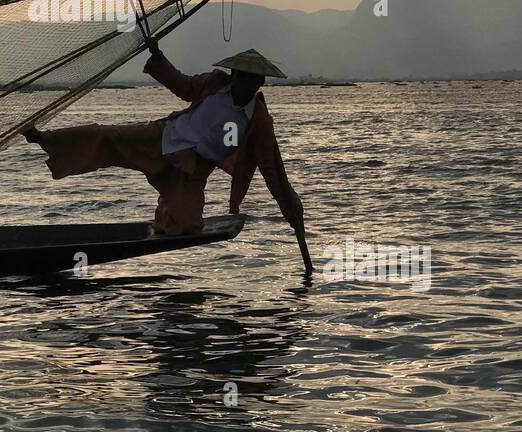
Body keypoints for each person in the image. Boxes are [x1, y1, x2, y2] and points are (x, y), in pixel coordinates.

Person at [23, 41, 312, 271]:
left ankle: (165, 215)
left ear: (260, 83)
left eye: (252, 80)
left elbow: (272, 168)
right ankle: (45, 138)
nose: (245, 83)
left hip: (194, 168)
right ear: (233, 75)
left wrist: (290, 208)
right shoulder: (214, 84)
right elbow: (183, 85)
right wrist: (158, 58)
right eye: (241, 77)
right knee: (107, 135)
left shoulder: (258, 119)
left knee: (183, 226)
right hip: (164, 136)